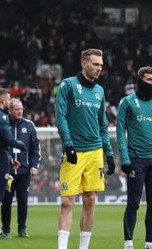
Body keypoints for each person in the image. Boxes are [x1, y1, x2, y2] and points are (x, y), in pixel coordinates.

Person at [55, 48, 116, 249]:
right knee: (67, 201)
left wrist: (109, 153)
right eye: (95, 64)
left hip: (95, 152)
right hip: (74, 150)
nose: (99, 68)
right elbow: (61, 116)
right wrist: (68, 144)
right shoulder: (68, 85)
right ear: (84, 64)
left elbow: (103, 124)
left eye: (101, 65)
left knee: (90, 199)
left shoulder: (99, 91)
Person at [116, 67, 152, 249]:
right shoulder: (127, 102)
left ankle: (149, 242)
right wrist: (125, 159)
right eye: (148, 79)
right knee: (133, 203)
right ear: (140, 81)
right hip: (136, 159)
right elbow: (120, 131)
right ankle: (128, 241)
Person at [0, 88, 28, 239]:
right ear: (3, 101)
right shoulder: (1, 116)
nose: (10, 102)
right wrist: (22, 146)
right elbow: (8, 139)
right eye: (9, 99)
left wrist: (10, 158)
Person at [1, 98, 41, 238]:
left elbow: (36, 147)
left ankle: (22, 229)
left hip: (24, 171)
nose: (19, 111)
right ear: (10, 110)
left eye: (21, 109)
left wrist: (34, 165)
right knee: (6, 201)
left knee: (23, 200)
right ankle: (5, 230)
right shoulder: (4, 123)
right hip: (8, 171)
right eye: (16, 109)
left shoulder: (29, 125)